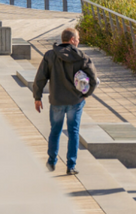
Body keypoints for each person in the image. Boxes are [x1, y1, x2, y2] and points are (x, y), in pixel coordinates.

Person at [33, 28, 98, 176]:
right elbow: (93, 79)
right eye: (78, 38)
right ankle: (71, 165)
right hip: (75, 101)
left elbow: (40, 78)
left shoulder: (50, 55)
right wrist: (86, 94)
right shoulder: (82, 57)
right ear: (72, 40)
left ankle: (51, 161)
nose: (79, 41)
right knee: (73, 132)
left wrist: (37, 97)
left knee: (55, 131)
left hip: (56, 100)